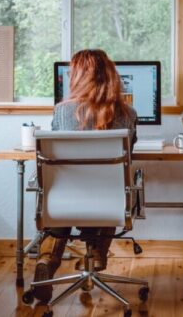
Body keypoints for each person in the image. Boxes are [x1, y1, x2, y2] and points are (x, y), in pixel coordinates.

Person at [33, 49, 137, 303]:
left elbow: (56, 160)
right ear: (111, 76)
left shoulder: (61, 111)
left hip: (64, 203)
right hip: (109, 204)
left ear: (77, 78)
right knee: (113, 187)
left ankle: (48, 259)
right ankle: (98, 254)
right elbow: (128, 157)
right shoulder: (128, 114)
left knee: (61, 187)